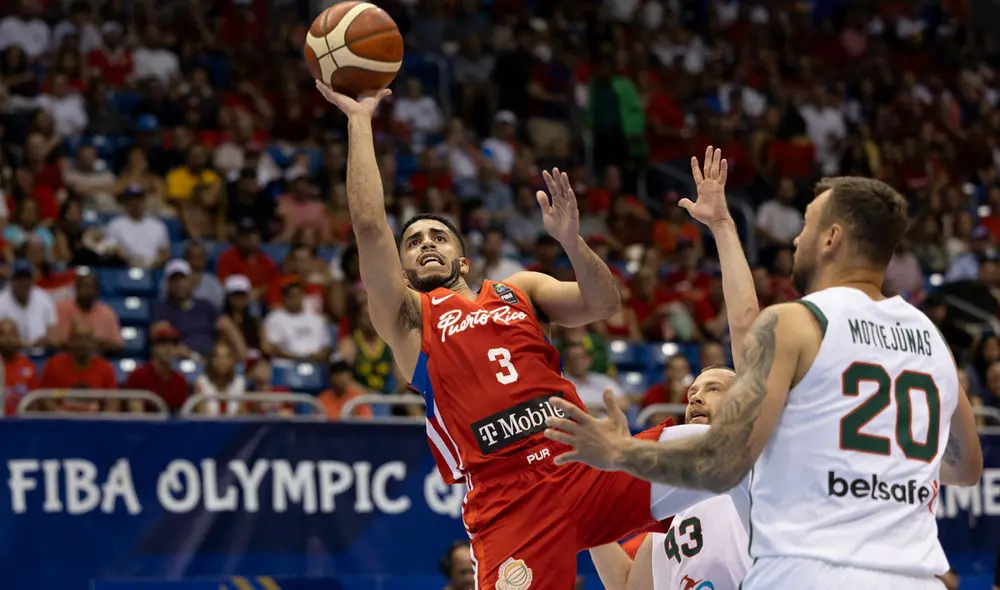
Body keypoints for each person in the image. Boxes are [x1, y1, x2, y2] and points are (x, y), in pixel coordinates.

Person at [316, 81, 675, 590]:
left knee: (718, 448)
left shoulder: (518, 288)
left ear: (463, 259)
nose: (425, 245)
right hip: (508, 497)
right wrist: (359, 120)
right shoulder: (408, 316)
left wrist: (574, 244)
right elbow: (369, 225)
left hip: (584, 458)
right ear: (403, 265)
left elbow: (604, 303)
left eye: (438, 236)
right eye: (414, 242)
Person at [545, 175, 984, 589]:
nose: (796, 238)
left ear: (832, 239)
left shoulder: (800, 323)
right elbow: (965, 469)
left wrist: (620, 452)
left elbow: (725, 448)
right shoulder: (930, 340)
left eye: (807, 224)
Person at [588, 148, 758, 590]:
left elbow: (744, 325)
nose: (695, 396)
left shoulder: (755, 461)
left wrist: (721, 227)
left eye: (715, 388)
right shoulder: (669, 517)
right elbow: (626, 586)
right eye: (693, 391)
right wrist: (580, 506)